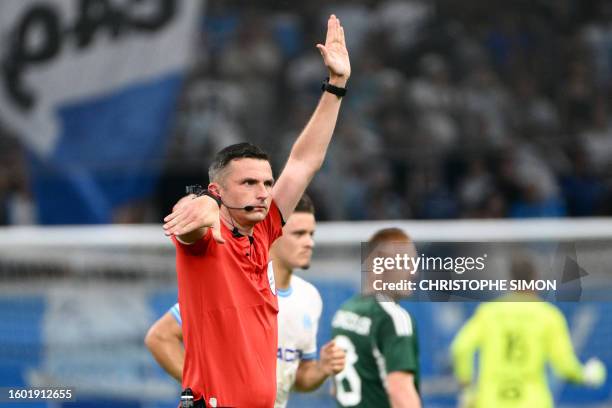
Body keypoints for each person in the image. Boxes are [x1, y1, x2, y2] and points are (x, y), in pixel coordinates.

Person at [162, 14, 350, 407]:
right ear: (218, 189)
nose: (263, 193)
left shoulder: (264, 232)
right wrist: (202, 203)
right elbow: (191, 220)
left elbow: (303, 162)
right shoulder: (205, 242)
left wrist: (336, 85)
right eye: (249, 183)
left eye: (266, 183)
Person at [147, 195, 345, 407]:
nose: (309, 242)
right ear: (274, 234)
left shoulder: (309, 297)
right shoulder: (235, 285)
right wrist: (206, 388)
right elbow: (160, 337)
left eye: (311, 234)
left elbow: (297, 378)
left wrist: (321, 368)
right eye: (299, 234)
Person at [451, 255, 607, 408]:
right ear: (536, 279)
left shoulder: (489, 312)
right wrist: (586, 375)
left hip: (491, 401)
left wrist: (467, 390)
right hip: (533, 402)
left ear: (510, 280)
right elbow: (564, 365)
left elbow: (461, 347)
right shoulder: (548, 316)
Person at [331, 228, 422, 408]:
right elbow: (400, 392)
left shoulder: (344, 312)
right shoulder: (394, 318)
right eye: (406, 262)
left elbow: (334, 389)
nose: (413, 273)